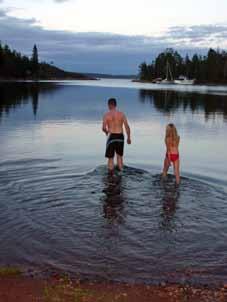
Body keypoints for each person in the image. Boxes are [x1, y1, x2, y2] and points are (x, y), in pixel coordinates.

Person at [102, 98, 131, 172]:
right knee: (119, 157)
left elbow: (103, 128)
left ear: (109, 105)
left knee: (111, 158)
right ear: (115, 105)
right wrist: (129, 138)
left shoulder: (106, 115)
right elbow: (127, 126)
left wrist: (106, 132)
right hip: (120, 137)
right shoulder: (122, 114)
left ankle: (110, 175)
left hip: (111, 137)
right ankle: (121, 173)